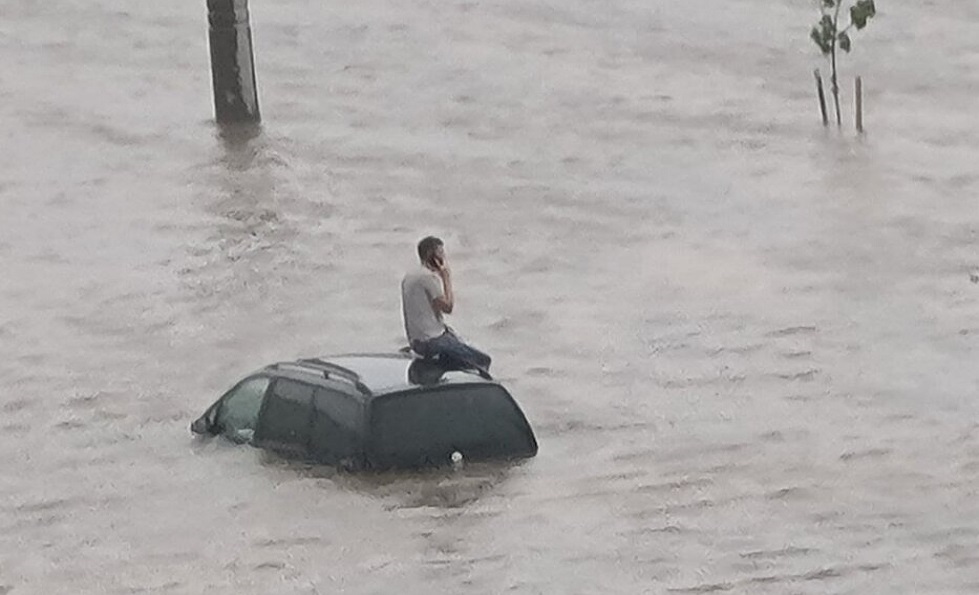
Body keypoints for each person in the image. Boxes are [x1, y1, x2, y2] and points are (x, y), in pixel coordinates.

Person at [401, 236, 492, 375]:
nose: (444, 258)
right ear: (432, 256)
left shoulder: (409, 277)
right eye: (441, 254)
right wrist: (446, 278)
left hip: (417, 340)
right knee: (482, 360)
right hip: (431, 341)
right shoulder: (428, 278)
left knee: (457, 341)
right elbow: (448, 307)